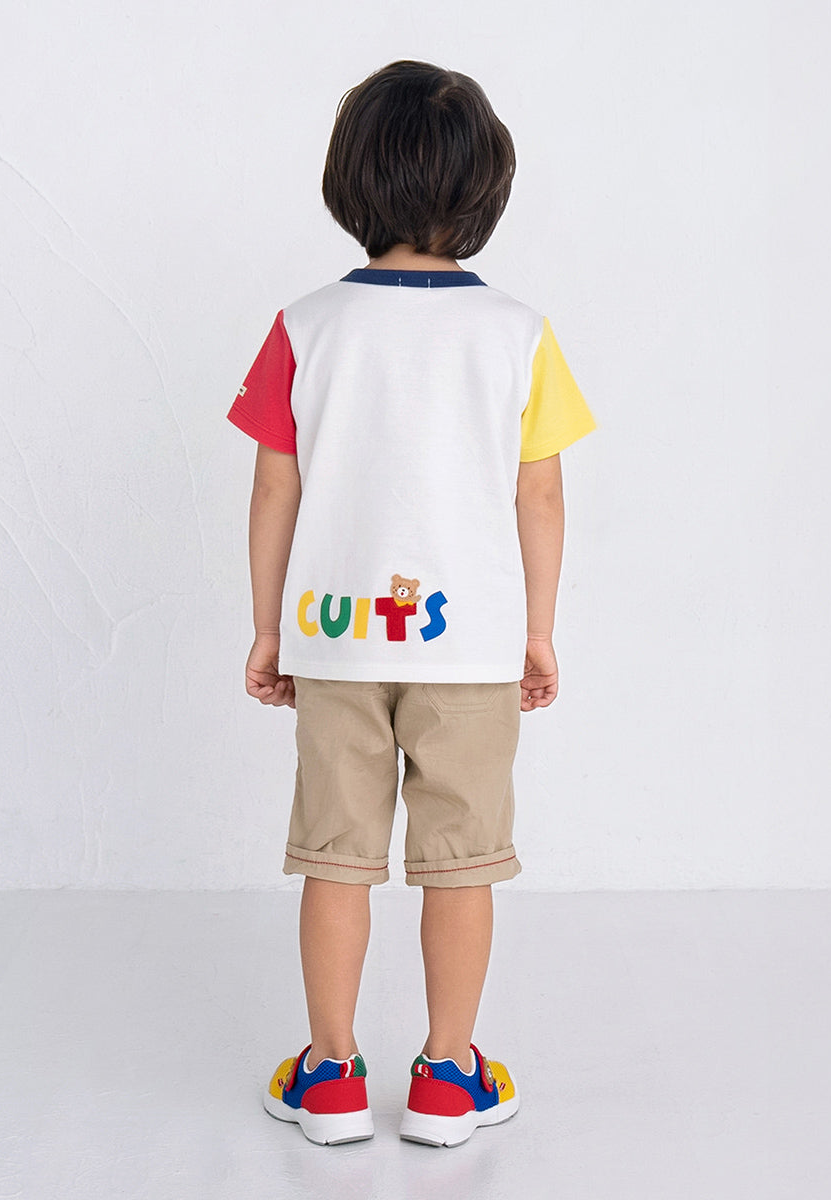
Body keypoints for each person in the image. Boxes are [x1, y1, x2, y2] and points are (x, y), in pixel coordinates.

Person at [228, 59, 595, 1147]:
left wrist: (269, 628)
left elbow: (275, 488)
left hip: (336, 644)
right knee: (461, 866)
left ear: (351, 181)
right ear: (487, 188)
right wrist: (537, 631)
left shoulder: (304, 327)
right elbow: (540, 492)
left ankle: (331, 1075)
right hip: (471, 651)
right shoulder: (521, 333)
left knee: (333, 860)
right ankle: (446, 1077)